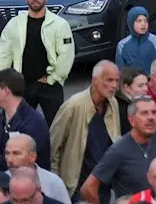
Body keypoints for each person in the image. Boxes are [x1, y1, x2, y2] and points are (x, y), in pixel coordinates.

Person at [0, 0, 72, 125]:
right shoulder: (14, 24)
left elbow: (66, 54)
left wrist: (54, 77)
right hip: (21, 85)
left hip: (50, 85)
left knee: (57, 128)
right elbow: (4, 54)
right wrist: (4, 82)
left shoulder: (59, 24)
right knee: (17, 126)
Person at [79, 97, 156, 203]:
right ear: (131, 120)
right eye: (144, 113)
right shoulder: (118, 150)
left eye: (154, 112)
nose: (151, 117)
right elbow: (88, 188)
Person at [48, 61, 119, 197]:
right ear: (95, 80)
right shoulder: (73, 106)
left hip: (102, 184)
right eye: (109, 80)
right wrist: (57, 184)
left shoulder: (112, 103)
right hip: (76, 186)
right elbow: (54, 146)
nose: (114, 85)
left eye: (116, 80)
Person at [5, 133, 67, 203]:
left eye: (16, 153)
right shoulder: (2, 180)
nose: (9, 159)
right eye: (7, 153)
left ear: (32, 156)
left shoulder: (54, 183)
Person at [113, 9, 156, 76]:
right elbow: (120, 69)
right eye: (139, 21)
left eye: (145, 21)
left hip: (153, 82)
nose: (143, 24)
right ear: (131, 22)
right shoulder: (122, 45)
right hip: (132, 83)